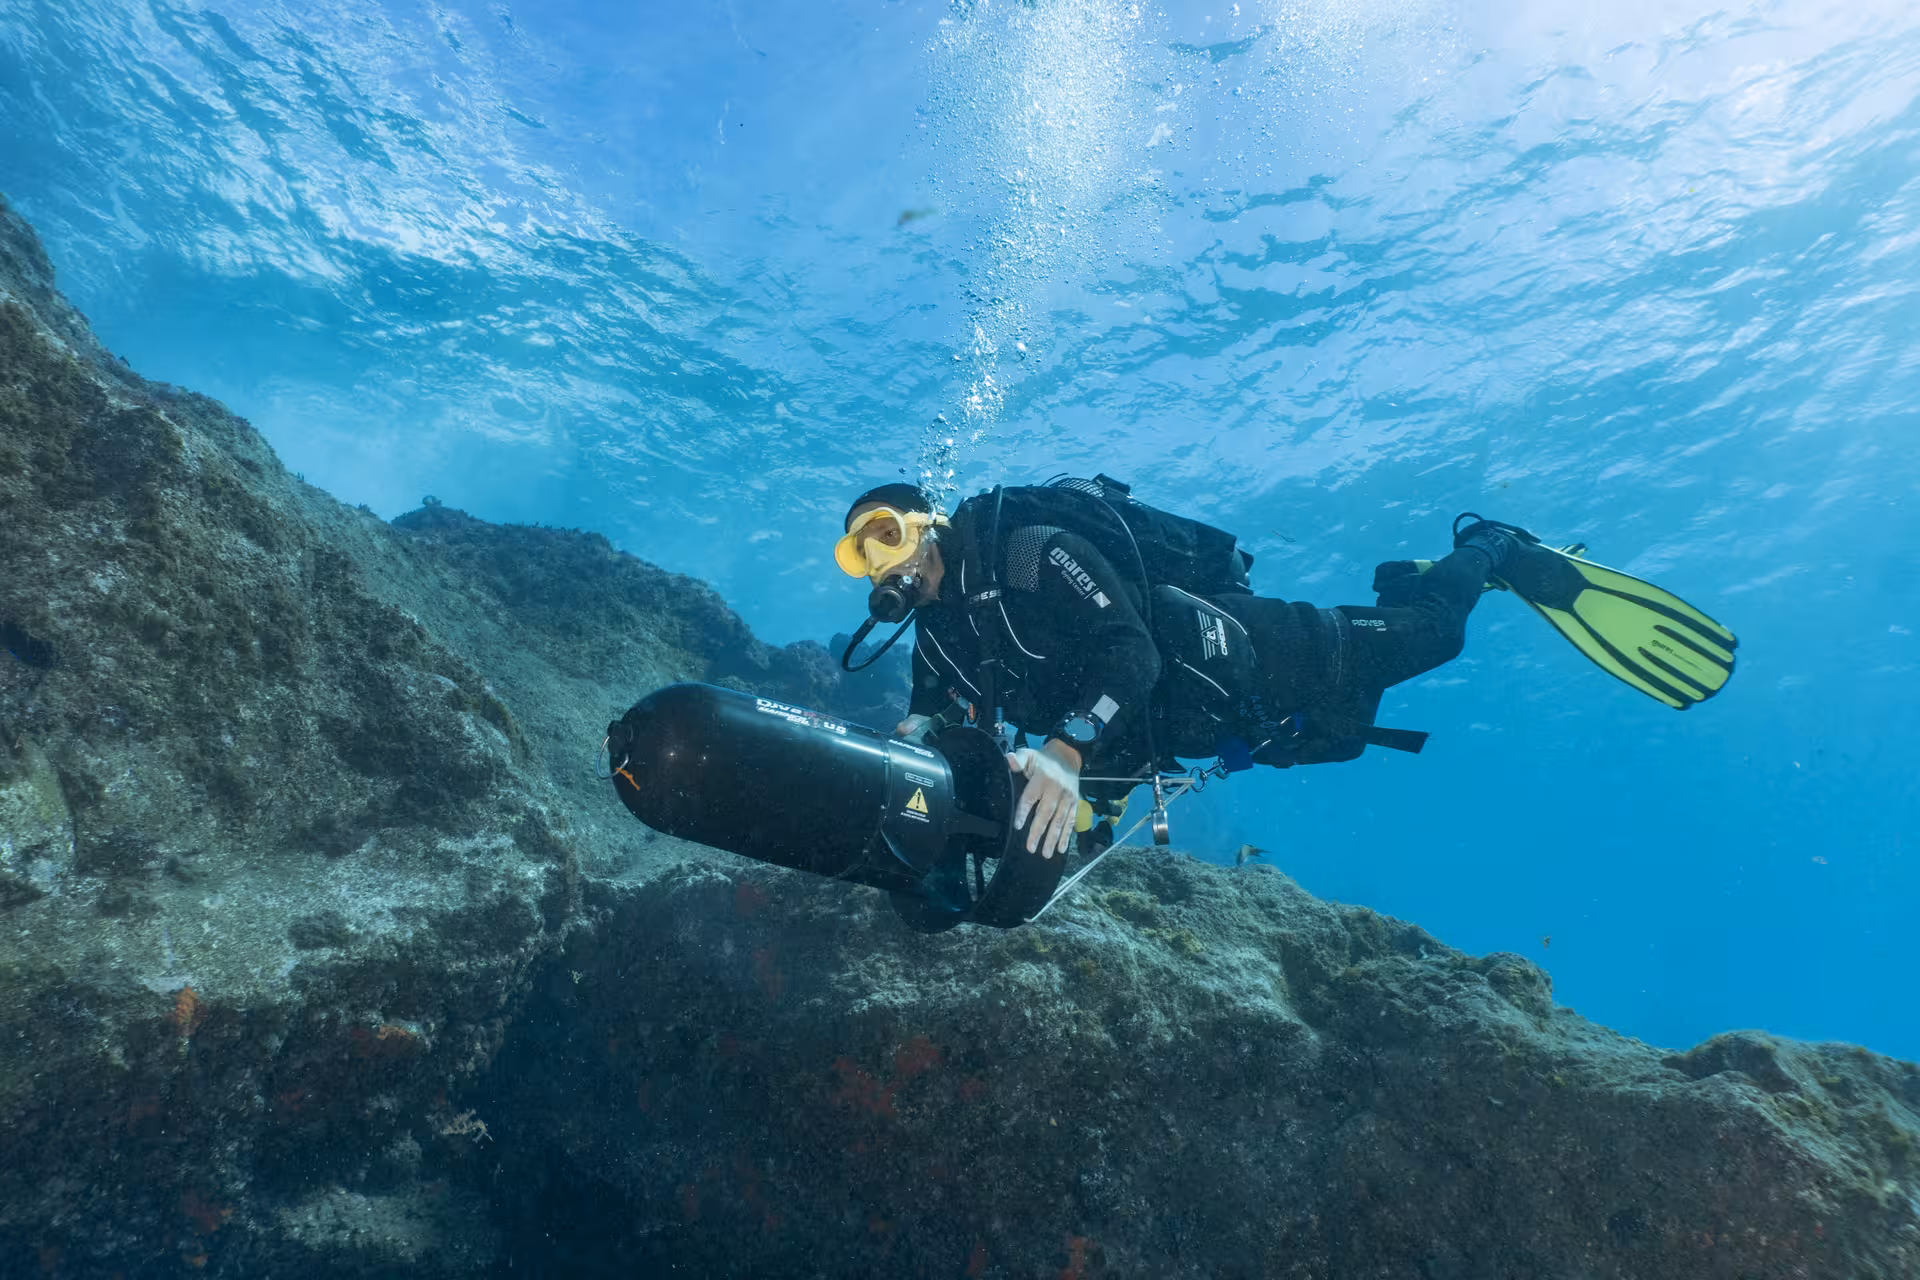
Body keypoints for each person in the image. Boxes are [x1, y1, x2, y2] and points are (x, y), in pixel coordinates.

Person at [833, 477, 1737, 865]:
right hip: (1229, 723)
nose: (880, 566)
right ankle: (1403, 583)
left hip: (1275, 648)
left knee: (1434, 637)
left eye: (887, 535)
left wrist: (1067, 751)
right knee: (1343, 740)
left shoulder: (1028, 550)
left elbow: (1131, 653)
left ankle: (1487, 550)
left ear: (929, 524)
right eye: (858, 555)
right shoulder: (942, 641)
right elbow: (929, 730)